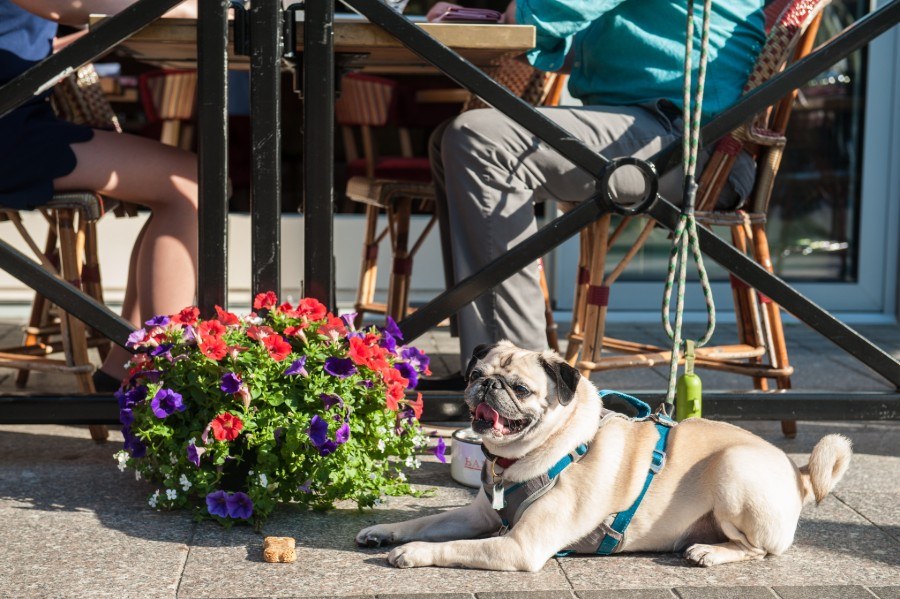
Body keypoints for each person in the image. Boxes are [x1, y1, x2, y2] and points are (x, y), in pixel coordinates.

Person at [424, 0, 766, 384]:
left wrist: (521, 15)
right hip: (658, 124)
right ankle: (483, 361)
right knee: (450, 140)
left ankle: (519, 385)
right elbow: (585, 44)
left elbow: (552, 11)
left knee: (479, 141)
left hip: (696, 146)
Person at [0, 0, 200, 391]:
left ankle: (132, 369)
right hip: (10, 132)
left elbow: (31, 40)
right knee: (189, 183)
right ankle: (164, 380)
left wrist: (104, 32)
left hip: (17, 121)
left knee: (189, 182)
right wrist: (168, 6)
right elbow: (70, 4)